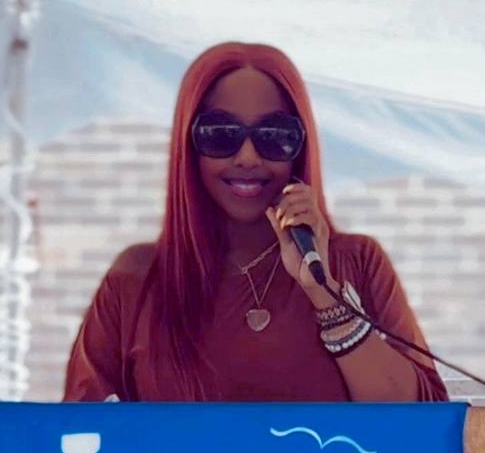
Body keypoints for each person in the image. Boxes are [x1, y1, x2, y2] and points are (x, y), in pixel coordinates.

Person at [63, 41, 448, 404]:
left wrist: (324, 294)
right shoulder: (138, 278)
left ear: (300, 149)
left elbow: (424, 422)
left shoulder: (356, 262)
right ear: (189, 149)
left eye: (274, 136)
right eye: (220, 135)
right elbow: (76, 433)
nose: (247, 157)